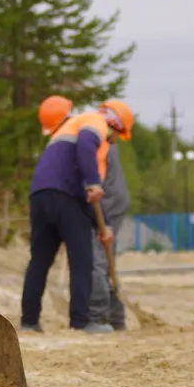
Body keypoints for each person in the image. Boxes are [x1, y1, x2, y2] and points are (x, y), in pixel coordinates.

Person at [23, 99, 134, 332]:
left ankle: (29, 322)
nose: (112, 141)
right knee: (82, 262)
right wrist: (93, 182)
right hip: (68, 199)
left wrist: (105, 226)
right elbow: (87, 160)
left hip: (40, 196)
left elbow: (94, 198)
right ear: (114, 124)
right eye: (115, 137)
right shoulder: (95, 122)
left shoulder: (64, 131)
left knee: (39, 262)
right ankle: (81, 323)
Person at [86, 131, 130, 332]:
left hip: (107, 206)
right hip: (112, 204)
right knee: (104, 260)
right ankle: (115, 317)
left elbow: (92, 178)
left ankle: (100, 317)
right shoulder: (103, 139)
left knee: (98, 261)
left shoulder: (97, 142)